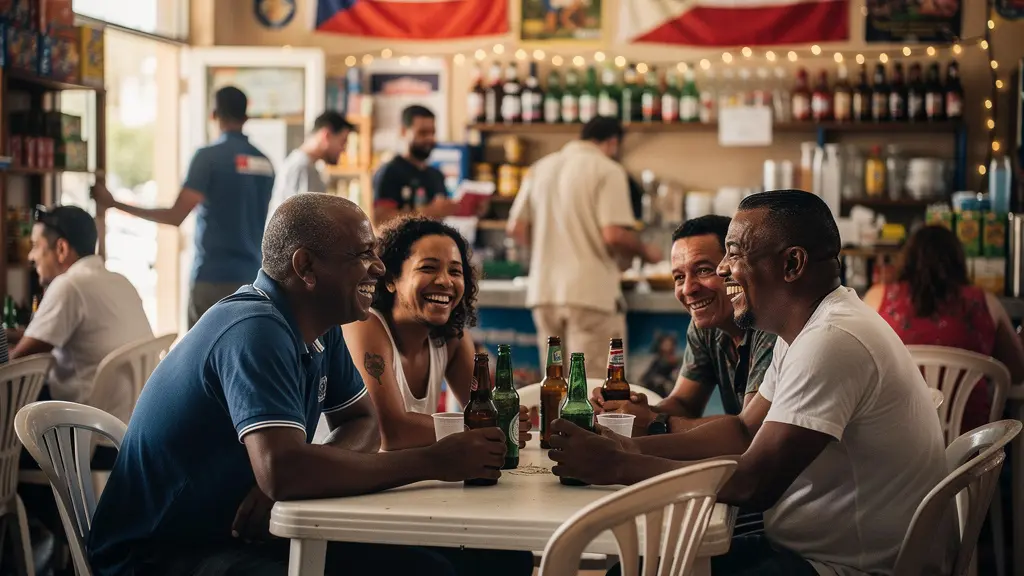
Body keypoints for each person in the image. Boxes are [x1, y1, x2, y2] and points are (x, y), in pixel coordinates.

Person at [88, 194, 532, 576]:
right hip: (160, 554)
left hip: (251, 527)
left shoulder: (321, 325)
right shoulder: (253, 329)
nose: (378, 267)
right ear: (306, 267)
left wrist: (282, 480)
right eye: (361, 255)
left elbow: (362, 423)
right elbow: (285, 471)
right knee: (425, 571)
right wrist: (432, 461)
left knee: (494, 559)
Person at [550, 190, 948, 575]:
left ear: (792, 264)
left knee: (640, 568)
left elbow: (753, 482)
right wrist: (632, 444)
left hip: (841, 566)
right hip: (809, 548)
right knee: (639, 565)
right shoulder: (805, 330)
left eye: (734, 254)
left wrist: (619, 464)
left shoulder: (832, 340)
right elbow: (744, 429)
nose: (723, 269)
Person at [92, 86, 275, 328]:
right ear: (246, 117)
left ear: (214, 114)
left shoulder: (209, 158)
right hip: (253, 281)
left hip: (213, 281)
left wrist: (113, 203)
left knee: (203, 360)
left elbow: (175, 215)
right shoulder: (265, 163)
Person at [343, 215, 530, 450]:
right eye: (428, 268)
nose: (445, 281)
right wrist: (484, 428)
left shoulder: (452, 339)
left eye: (455, 271)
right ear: (390, 279)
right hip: (359, 481)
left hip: (418, 479)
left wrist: (507, 422)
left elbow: (488, 412)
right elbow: (390, 431)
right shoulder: (364, 324)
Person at [507, 116, 662, 377]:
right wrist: (646, 252)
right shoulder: (607, 169)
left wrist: (546, 252)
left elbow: (516, 228)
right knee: (591, 386)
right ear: (613, 143)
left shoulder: (541, 167)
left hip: (544, 292)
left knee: (554, 385)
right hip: (590, 294)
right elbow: (613, 234)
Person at [591, 216, 777, 432]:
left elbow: (750, 429)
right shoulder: (705, 325)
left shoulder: (769, 324)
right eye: (679, 277)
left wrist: (654, 421)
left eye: (704, 270)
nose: (688, 289)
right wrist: (631, 411)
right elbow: (684, 403)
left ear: (737, 268)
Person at [865, 224, 1024, 433]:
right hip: (969, 446)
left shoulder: (878, 298)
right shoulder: (986, 302)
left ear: (907, 260)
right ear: (958, 262)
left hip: (897, 443)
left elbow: (859, 367)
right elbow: (1018, 374)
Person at [10, 205, 153, 424]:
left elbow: (19, 361)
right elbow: (41, 338)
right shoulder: (120, 281)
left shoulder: (69, 286)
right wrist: (12, 335)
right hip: (135, 423)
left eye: (36, 246)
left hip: (91, 432)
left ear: (61, 249)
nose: (31, 256)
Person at [372, 105, 454, 226]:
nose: (429, 138)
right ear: (404, 132)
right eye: (422, 133)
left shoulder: (436, 175)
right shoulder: (390, 172)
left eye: (432, 132)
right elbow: (381, 221)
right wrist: (428, 212)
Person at [271, 111, 354, 208]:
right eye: (342, 142)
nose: (343, 149)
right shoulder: (300, 167)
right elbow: (303, 219)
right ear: (326, 135)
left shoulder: (309, 168)